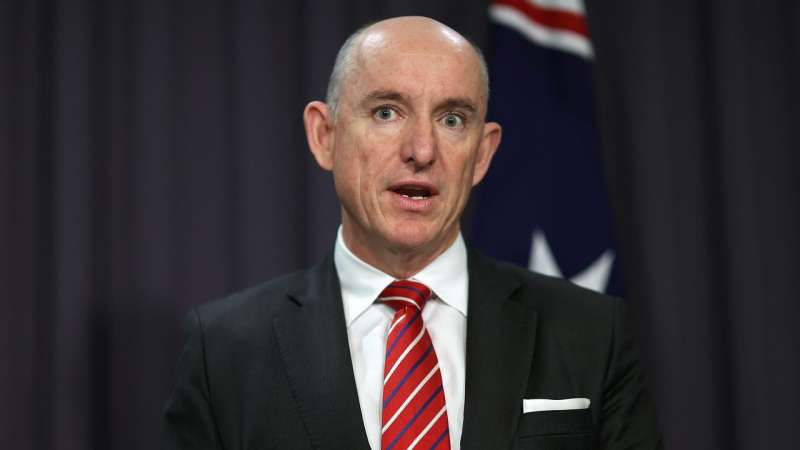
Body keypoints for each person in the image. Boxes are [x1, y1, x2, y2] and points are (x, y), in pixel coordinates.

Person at [162, 16, 662, 450]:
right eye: (386, 112)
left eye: (452, 119)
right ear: (324, 135)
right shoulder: (224, 350)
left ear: (482, 154)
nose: (421, 150)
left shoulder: (591, 333)